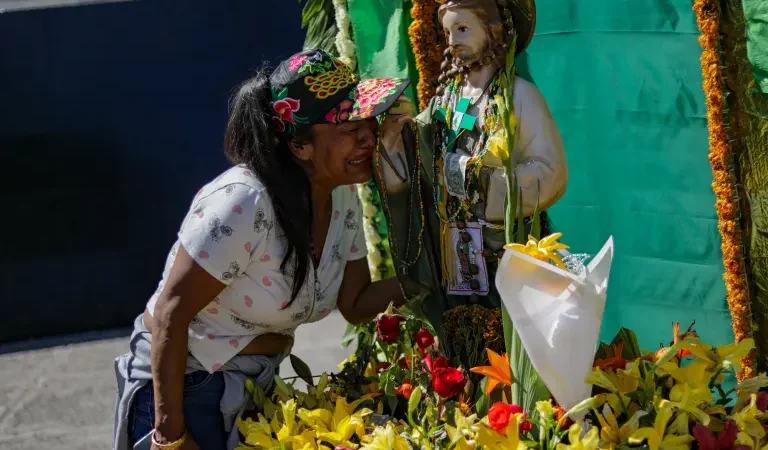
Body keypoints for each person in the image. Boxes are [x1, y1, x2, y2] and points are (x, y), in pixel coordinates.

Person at [112, 49, 413, 450]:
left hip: (253, 391)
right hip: (183, 392)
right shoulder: (244, 202)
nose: (367, 137)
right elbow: (171, 311)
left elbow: (356, 303)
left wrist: (436, 277)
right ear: (300, 146)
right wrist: (169, 436)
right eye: (346, 127)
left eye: (367, 122)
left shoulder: (342, 199)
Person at [376, 0, 567, 355]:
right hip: (457, 255)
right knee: (466, 347)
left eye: (462, 29)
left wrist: (475, 179)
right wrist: (396, 144)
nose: (452, 41)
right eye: (448, 32)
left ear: (495, 30)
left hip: (503, 249)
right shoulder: (447, 100)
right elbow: (421, 159)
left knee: (513, 346)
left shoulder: (519, 96)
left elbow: (550, 172)